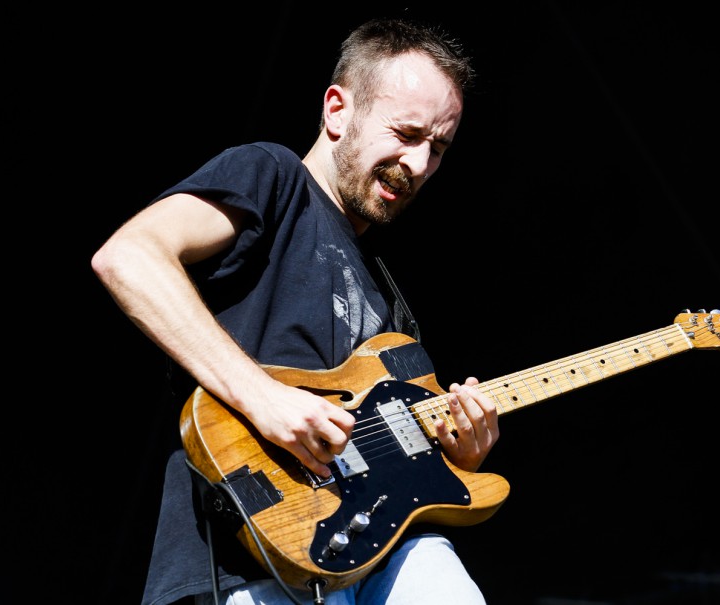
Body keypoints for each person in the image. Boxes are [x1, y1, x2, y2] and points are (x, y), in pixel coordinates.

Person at [92, 17, 499, 605]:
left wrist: (459, 454)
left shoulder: (387, 295)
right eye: (406, 133)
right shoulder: (272, 175)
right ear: (337, 110)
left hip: (373, 551)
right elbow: (129, 256)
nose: (418, 164)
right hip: (250, 552)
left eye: (437, 148)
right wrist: (265, 398)